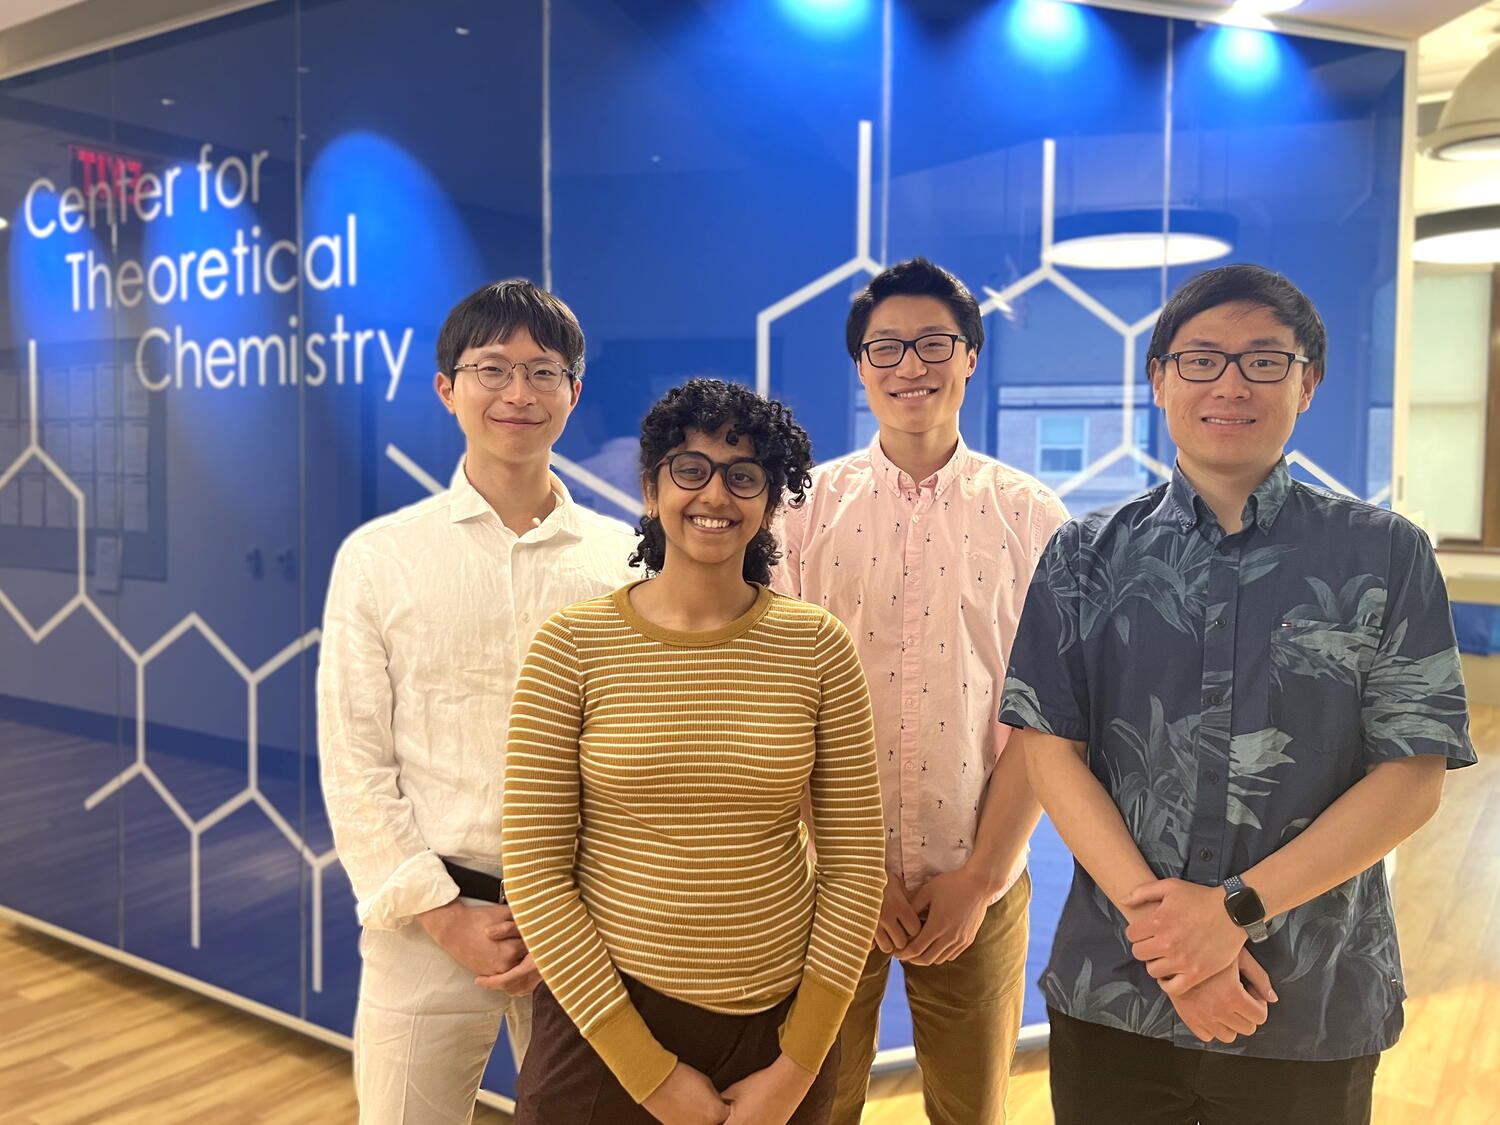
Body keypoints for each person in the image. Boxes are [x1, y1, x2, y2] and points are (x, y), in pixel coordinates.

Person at [999, 263, 1476, 1125]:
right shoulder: (1082, 556)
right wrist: (1178, 946)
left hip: (1307, 995)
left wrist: (1233, 913)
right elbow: (1049, 750)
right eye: (1200, 359)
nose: (1230, 383)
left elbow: (1413, 776)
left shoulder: (1386, 555)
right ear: (1158, 380)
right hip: (1117, 987)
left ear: (1308, 382)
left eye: (1263, 360)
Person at [502, 377, 887, 1125]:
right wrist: (649, 1074)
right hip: (606, 1024)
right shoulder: (571, 646)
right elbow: (538, 874)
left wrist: (797, 1065)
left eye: (744, 475)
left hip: (777, 1031)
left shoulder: (818, 648)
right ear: (651, 488)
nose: (716, 492)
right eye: (691, 468)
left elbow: (853, 866)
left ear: (771, 502)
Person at [317, 279, 637, 1124]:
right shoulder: (380, 557)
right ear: (446, 387)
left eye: (544, 371)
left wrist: (568, 908)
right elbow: (355, 762)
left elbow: (639, 752)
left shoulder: (626, 562)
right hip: (425, 925)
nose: (519, 393)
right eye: (492, 368)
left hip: (589, 925)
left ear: (576, 391)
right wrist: (442, 911)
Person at [773, 257, 1069, 1125]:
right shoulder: (800, 509)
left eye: (933, 342)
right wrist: (850, 870)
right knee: (815, 1104)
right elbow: (788, 707)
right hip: (824, 880)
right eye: (886, 347)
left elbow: (1048, 718)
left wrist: (978, 877)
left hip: (977, 873)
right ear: (860, 366)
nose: (910, 365)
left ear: (970, 355)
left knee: (971, 1108)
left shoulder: (1031, 516)